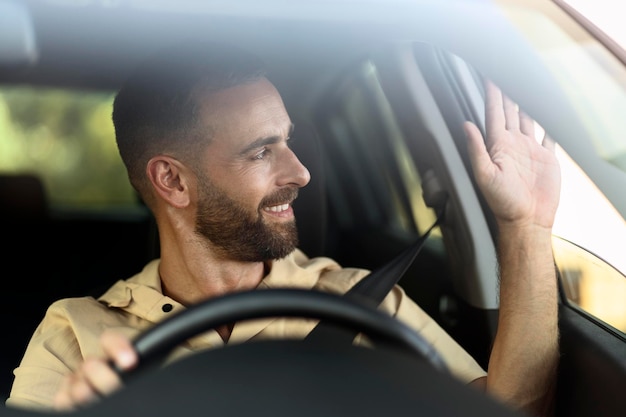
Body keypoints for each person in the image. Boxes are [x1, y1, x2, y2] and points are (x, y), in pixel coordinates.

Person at [6, 41, 560, 417]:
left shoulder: (362, 301)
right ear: (172, 180)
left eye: (288, 140)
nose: (300, 172)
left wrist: (526, 228)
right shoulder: (76, 336)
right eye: (261, 151)